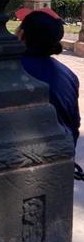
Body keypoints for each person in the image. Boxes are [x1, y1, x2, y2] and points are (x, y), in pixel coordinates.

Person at [16, 8, 80, 146]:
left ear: (22, 35)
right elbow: (74, 125)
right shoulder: (69, 76)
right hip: (64, 153)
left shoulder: (11, 71)